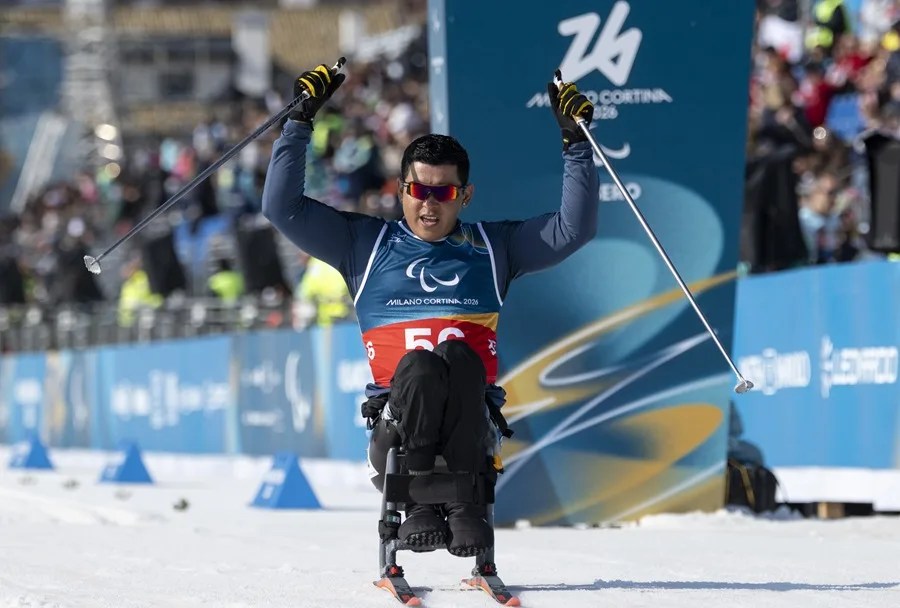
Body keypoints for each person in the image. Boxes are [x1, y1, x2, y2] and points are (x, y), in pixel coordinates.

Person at [262, 63, 599, 557]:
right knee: (419, 366)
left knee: (459, 358)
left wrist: (576, 144)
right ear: (401, 190)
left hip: (472, 430)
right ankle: (419, 504)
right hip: (396, 433)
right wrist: (299, 121)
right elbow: (281, 208)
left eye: (444, 193)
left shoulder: (494, 246)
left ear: (465, 195)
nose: (429, 204)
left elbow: (574, 229)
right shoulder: (364, 245)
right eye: (419, 190)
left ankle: (464, 508)